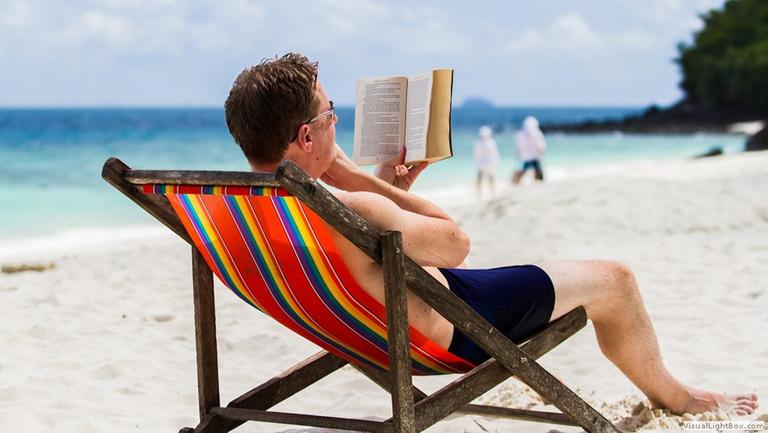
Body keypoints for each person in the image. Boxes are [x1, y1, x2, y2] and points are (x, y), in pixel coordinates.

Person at [224, 53, 758, 417]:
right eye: (331, 113)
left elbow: (359, 249)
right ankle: (679, 397)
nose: (337, 121)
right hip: (449, 329)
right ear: (305, 134)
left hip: (365, 329)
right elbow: (455, 246)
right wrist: (356, 178)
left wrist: (382, 191)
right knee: (615, 280)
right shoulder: (349, 201)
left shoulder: (235, 210)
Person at [513, 116, 546, 184]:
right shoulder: (537, 133)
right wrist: (542, 155)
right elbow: (541, 146)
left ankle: (517, 182)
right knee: (536, 170)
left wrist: (517, 155)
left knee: (523, 170)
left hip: (525, 156)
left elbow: (519, 146)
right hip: (535, 155)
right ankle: (535, 182)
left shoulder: (521, 133)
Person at [473, 125, 500, 197]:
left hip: (482, 164)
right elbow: (495, 154)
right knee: (489, 178)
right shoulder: (491, 142)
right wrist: (497, 163)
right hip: (487, 163)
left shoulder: (478, 142)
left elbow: (476, 154)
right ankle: (491, 192)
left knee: (481, 178)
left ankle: (480, 193)